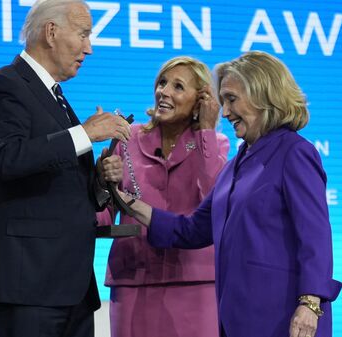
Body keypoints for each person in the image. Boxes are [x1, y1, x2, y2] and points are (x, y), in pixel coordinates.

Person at [117, 51, 342, 337]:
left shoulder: (294, 152)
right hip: (237, 319)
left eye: (232, 99)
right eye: (223, 101)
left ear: (263, 95)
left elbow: (315, 235)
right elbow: (193, 229)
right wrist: (129, 204)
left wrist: (311, 302)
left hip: (285, 317)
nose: (224, 112)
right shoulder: (235, 166)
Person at [0, 1, 131, 336]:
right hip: (27, 284)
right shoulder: (5, 86)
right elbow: (6, 158)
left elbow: (55, 180)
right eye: (83, 34)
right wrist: (85, 133)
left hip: (69, 285)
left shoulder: (54, 96)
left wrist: (97, 180)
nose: (90, 47)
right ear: (51, 32)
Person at [96, 56, 229, 337]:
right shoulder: (125, 139)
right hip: (133, 280)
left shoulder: (215, 144)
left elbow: (214, 198)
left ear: (200, 100)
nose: (164, 92)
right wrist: (99, 180)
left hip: (195, 283)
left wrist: (206, 128)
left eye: (178, 87)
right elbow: (102, 217)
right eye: (162, 83)